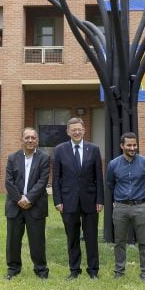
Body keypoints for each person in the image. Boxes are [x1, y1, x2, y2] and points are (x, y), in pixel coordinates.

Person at [52, 117, 104, 280]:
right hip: (68, 201)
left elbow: (98, 178)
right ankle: (74, 270)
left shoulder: (94, 149)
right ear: (68, 132)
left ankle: (93, 270)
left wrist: (100, 200)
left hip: (90, 201)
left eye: (79, 129)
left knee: (91, 237)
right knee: (72, 237)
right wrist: (57, 200)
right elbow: (56, 179)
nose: (76, 131)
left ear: (84, 130)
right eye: (73, 129)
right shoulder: (60, 150)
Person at [106, 131, 145, 282]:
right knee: (119, 241)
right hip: (120, 207)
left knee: (144, 241)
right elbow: (110, 184)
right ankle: (119, 272)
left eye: (134, 145)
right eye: (129, 145)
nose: (132, 148)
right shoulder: (113, 164)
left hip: (141, 207)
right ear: (122, 146)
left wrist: (141, 195)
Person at [4, 127, 50, 280]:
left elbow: (43, 181)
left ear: (37, 140)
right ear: (21, 140)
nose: (30, 140)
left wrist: (29, 198)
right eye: (27, 138)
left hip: (35, 205)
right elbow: (8, 182)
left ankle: (41, 270)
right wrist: (19, 199)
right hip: (14, 205)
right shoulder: (12, 158)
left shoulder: (44, 158)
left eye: (33, 138)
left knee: (37, 240)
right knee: (13, 240)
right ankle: (13, 268)